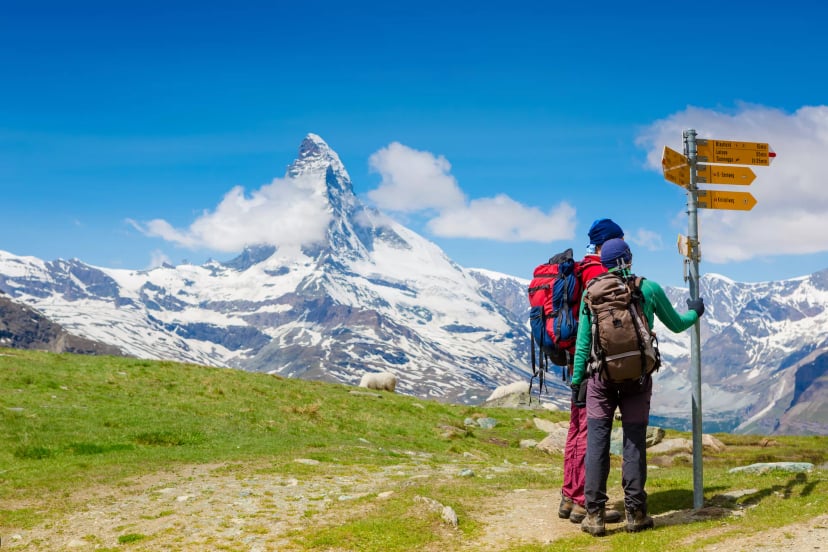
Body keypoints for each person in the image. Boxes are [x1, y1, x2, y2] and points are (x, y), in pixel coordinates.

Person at [570, 238, 705, 536]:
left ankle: (594, 516)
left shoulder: (591, 294)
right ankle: (636, 513)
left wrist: (577, 381)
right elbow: (678, 324)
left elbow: (582, 345)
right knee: (633, 443)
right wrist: (696, 311)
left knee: (597, 444)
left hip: (600, 380)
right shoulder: (649, 288)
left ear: (604, 263)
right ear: (629, 259)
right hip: (638, 379)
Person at [558, 219, 624, 525]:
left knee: (576, 427)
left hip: (575, 360)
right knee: (588, 429)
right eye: (617, 241)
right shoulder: (599, 273)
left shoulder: (581, 269)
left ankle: (569, 497)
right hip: (590, 363)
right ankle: (584, 501)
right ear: (606, 244)